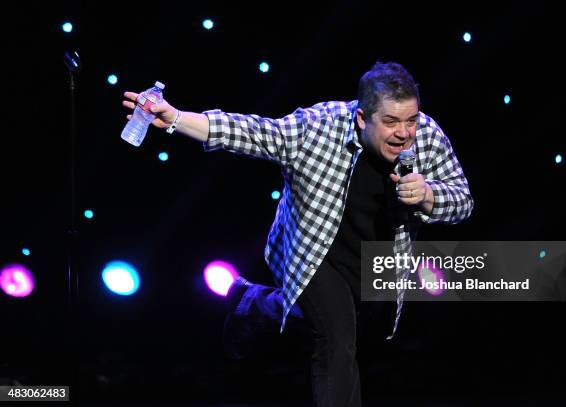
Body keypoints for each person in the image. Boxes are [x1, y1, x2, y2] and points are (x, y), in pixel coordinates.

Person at [122, 61, 474, 406]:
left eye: (410, 120)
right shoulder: (318, 126)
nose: (404, 132)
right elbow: (251, 132)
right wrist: (177, 118)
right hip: (314, 251)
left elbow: (463, 200)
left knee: (359, 327)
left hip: (377, 261)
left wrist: (429, 195)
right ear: (362, 119)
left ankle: (253, 303)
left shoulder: (426, 136)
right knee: (337, 342)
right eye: (391, 122)